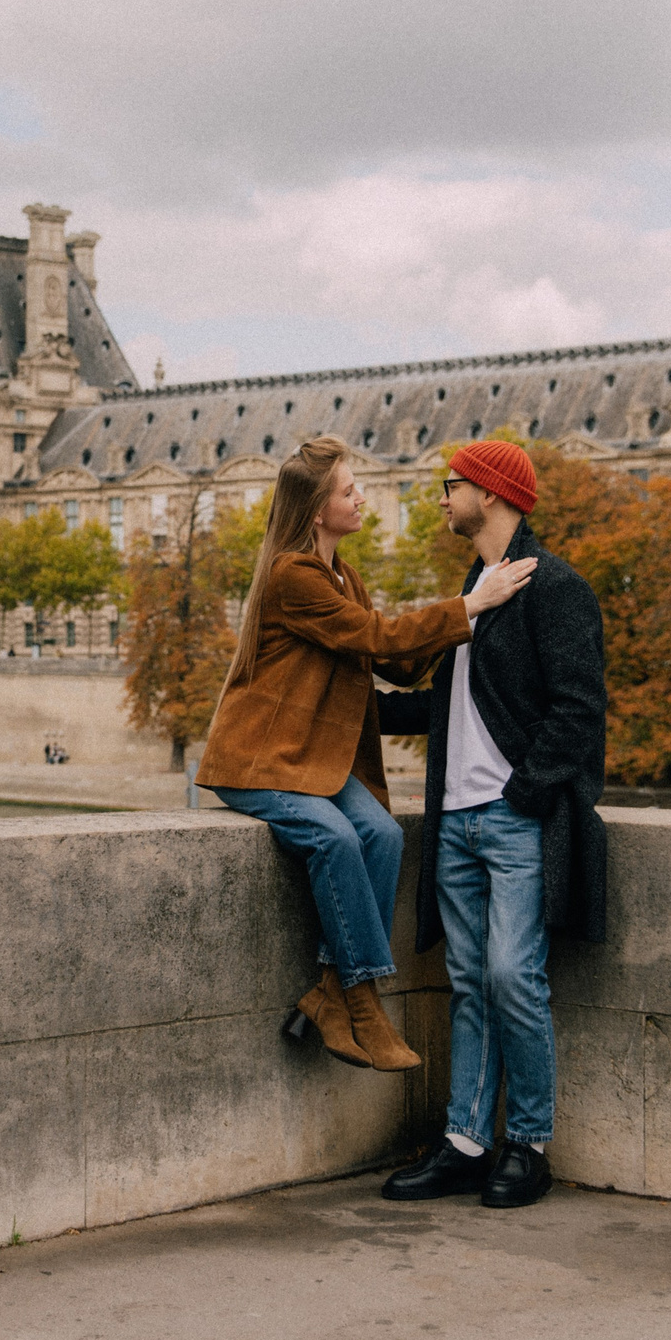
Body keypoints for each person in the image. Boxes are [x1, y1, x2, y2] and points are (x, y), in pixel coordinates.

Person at [199, 436, 533, 1072]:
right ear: (319, 511)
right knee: (335, 840)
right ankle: (361, 997)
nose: (361, 498)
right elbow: (375, 635)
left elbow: (395, 662)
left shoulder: (343, 574)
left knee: (381, 834)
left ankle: (329, 995)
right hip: (261, 761)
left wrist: (467, 622)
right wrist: (468, 604)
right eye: (350, 491)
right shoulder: (291, 575)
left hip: (309, 760)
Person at [376, 439, 607, 1210]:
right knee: (472, 983)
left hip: (511, 821)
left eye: (453, 485)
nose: (442, 498)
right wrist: (346, 702)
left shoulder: (556, 588)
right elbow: (446, 708)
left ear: (494, 494)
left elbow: (579, 711)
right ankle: (467, 1141)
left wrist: (522, 795)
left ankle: (528, 1143)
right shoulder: (477, 588)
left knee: (513, 977)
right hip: (457, 824)